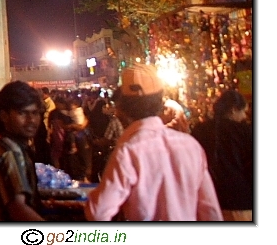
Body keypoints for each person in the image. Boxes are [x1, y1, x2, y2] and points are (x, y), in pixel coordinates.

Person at [86, 64, 222, 221]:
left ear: (121, 108)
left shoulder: (129, 151)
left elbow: (98, 212)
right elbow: (210, 211)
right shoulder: (190, 145)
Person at [0, 81, 45, 221]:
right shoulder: (9, 154)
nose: (31, 120)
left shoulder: (12, 149)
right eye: (22, 113)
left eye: (35, 113)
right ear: (4, 116)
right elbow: (18, 209)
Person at [192, 89, 253, 221]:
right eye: (243, 112)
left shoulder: (200, 130)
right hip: (240, 203)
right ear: (233, 110)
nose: (244, 117)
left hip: (207, 202)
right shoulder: (245, 132)